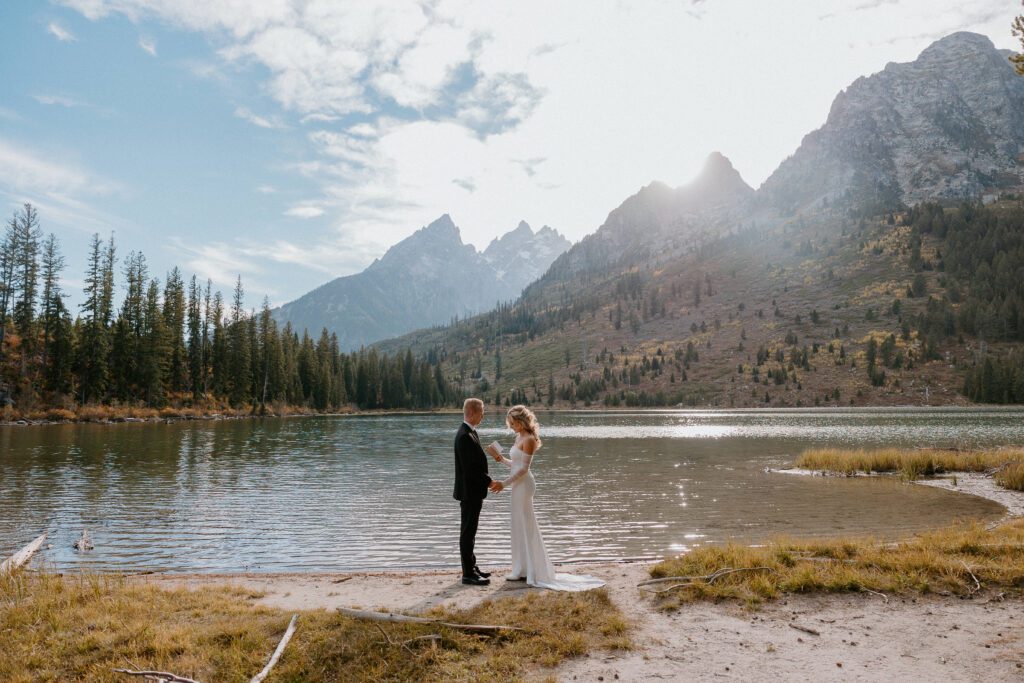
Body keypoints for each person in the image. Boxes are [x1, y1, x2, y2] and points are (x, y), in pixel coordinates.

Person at [487, 405, 605, 591]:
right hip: (517, 484)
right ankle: (520, 568)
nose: (511, 427)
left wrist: (504, 483)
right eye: (510, 424)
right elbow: (516, 464)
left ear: (521, 421)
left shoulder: (530, 439)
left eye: (513, 423)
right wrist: (501, 459)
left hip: (524, 485)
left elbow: (524, 470)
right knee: (518, 524)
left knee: (526, 524)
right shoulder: (519, 437)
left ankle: (529, 569)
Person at [453, 397, 493, 585]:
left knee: (470, 532)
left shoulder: (470, 432)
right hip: (469, 492)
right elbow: (470, 470)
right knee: (467, 533)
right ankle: (468, 574)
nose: (483, 415)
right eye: (481, 411)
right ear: (471, 413)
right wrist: (489, 481)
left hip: (473, 492)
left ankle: (471, 566)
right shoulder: (464, 436)